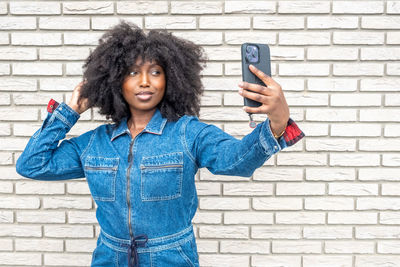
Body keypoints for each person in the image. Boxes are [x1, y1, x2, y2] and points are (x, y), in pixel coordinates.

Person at [16, 21, 304, 267]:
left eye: (155, 72)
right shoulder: (94, 143)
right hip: (109, 257)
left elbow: (238, 161)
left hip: (172, 257)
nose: (145, 82)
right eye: (132, 72)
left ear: (171, 79)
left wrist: (277, 122)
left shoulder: (188, 134)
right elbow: (32, 165)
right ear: (115, 80)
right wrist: (68, 112)